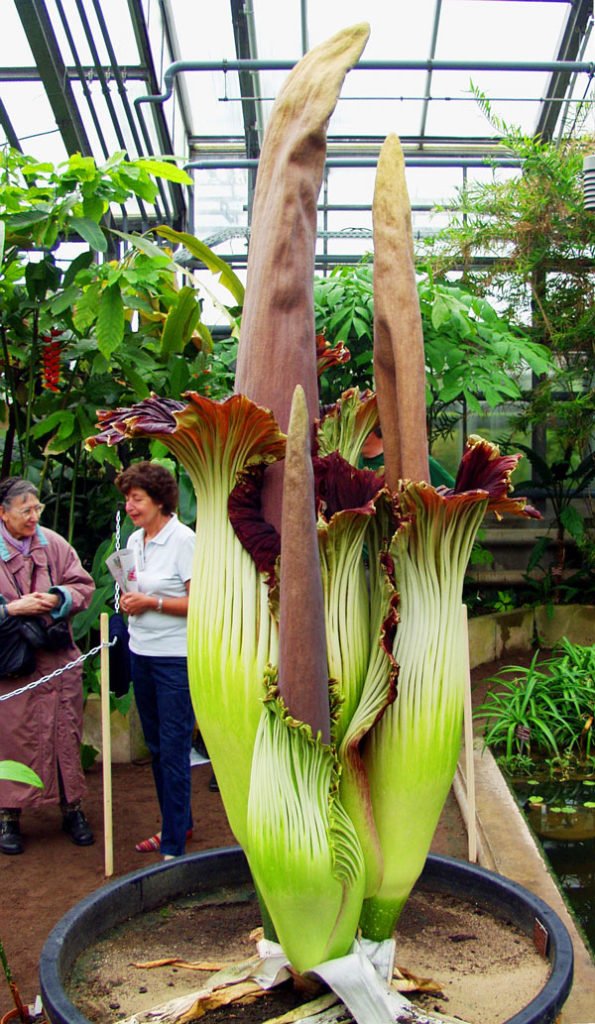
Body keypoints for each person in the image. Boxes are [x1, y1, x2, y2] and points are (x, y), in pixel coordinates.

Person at [0, 477, 96, 855]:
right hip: (14, 669)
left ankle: (72, 810)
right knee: (12, 739)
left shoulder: (52, 543)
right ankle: (8, 817)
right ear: (3, 513)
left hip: (58, 663)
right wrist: (11, 609)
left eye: (36, 508)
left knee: (65, 734)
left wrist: (58, 597)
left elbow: (83, 585)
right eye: (25, 509)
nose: (33, 516)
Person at [115, 462, 196, 860]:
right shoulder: (134, 541)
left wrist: (153, 603)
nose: (130, 506)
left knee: (174, 746)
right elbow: (132, 586)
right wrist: (129, 601)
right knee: (156, 746)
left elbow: (201, 602)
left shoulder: (183, 540)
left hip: (175, 659)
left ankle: (173, 847)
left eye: (137, 498)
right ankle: (178, 823)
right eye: (127, 498)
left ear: (159, 500)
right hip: (140, 652)